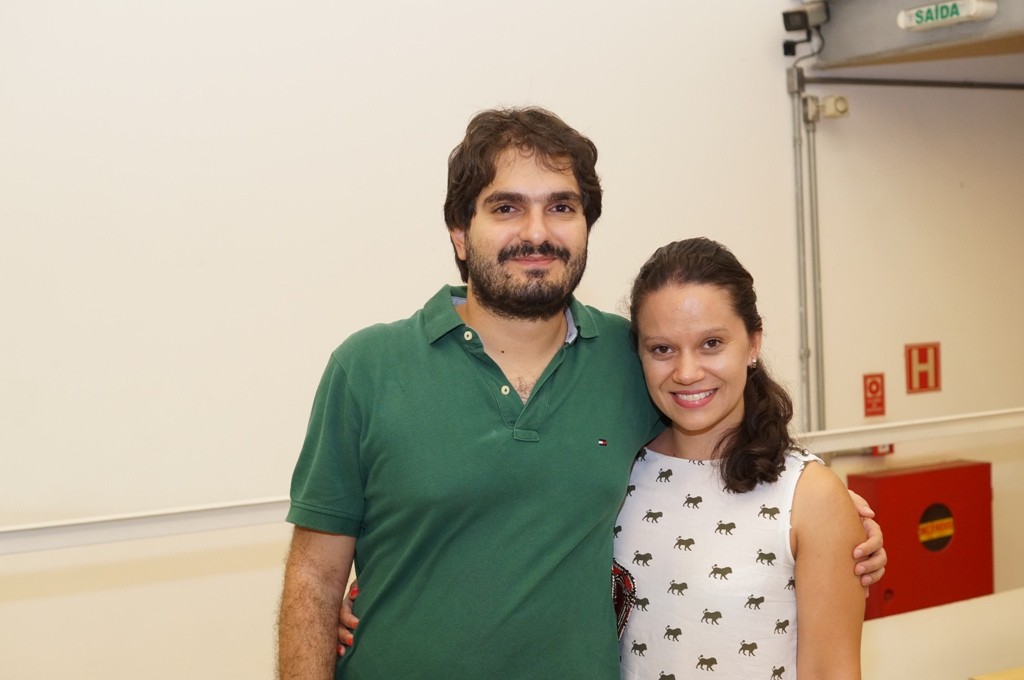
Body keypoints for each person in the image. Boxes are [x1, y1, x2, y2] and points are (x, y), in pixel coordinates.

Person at [277, 107, 884, 680]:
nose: (537, 232)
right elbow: (313, 575)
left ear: (586, 226)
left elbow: (722, 431)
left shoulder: (631, 358)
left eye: (561, 207)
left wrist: (830, 520)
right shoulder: (367, 368)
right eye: (507, 207)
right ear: (461, 232)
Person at [615, 237, 864, 679]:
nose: (687, 372)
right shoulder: (615, 473)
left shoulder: (810, 495)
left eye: (711, 343)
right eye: (662, 349)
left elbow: (831, 671)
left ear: (753, 343)